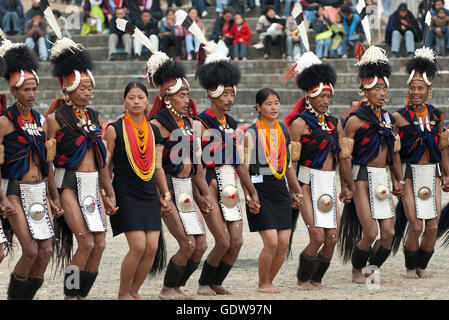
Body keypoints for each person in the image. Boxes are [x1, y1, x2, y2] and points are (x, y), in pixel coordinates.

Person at [45, 36, 119, 300]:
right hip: (67, 185)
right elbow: (48, 163)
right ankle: (69, 294)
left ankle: (81, 294)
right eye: (83, 88)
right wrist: (52, 196)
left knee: (99, 244)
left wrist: (108, 192)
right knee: (85, 242)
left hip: (92, 186)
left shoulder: (96, 117)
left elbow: (101, 162)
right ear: (69, 89)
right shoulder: (54, 120)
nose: (88, 92)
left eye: (90, 87)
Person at [144, 52, 212, 300]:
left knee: (201, 245)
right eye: (181, 95)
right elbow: (155, 167)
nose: (187, 99)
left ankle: (177, 285)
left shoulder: (189, 123)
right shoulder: (156, 125)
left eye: (187, 95)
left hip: (187, 189)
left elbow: (196, 164)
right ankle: (167, 289)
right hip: (169, 189)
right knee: (187, 244)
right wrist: (164, 196)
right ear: (166, 97)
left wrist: (203, 193)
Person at [194, 45, 261, 295]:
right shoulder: (199, 123)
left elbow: (239, 161)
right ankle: (203, 283)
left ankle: (215, 281)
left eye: (233, 94)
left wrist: (251, 191)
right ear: (213, 94)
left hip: (230, 181)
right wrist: (200, 191)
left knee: (236, 242)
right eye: (226, 94)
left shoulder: (232, 124)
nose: (230, 99)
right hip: (210, 182)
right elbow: (195, 163)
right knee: (222, 241)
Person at [0, 38, 64, 300]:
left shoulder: (41, 120)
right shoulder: (4, 122)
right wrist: (1, 197)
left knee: (46, 250)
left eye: (35, 88)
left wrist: (54, 195)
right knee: (30, 250)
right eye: (26, 89)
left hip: (40, 190)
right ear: (14, 91)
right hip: (14, 189)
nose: (32, 94)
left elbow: (46, 161)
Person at [338, 44, 405, 284]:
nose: (382, 92)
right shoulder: (354, 121)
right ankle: (357, 269)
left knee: (388, 233)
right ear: (365, 91)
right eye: (377, 88)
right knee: (371, 232)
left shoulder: (389, 119)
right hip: (361, 178)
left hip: (382, 177)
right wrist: (347, 184)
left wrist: (398, 179)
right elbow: (344, 156)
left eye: (384, 88)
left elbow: (393, 153)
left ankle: (371, 268)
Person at [284, 50, 347, 290]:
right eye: (320, 96)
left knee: (332, 238)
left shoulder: (335, 123)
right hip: (307, 183)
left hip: (329, 182)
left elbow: (343, 157)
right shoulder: (298, 124)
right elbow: (291, 162)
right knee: (318, 236)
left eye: (328, 96)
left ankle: (317, 278)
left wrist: (347, 184)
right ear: (309, 97)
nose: (325, 100)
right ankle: (302, 279)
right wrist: (294, 190)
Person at [103, 82, 170, 300]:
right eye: (131, 98)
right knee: (138, 246)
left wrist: (165, 194)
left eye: (140, 97)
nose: (136, 102)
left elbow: (158, 165)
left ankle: (134, 291)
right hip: (125, 191)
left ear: (148, 100)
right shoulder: (114, 129)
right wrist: (106, 194)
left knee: (151, 247)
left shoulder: (153, 130)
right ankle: (123, 293)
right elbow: (105, 166)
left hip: (149, 191)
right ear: (124, 101)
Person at [391, 47, 449, 279]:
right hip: (408, 173)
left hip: (432, 173)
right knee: (415, 225)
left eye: (420, 88)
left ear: (428, 91)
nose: (416, 92)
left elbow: (444, 148)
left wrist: (447, 174)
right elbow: (394, 153)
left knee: (432, 226)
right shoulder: (398, 117)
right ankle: (409, 267)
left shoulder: (437, 116)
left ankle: (422, 266)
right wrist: (397, 178)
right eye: (412, 88)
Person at [243, 88, 303, 293]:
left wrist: (296, 190)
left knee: (284, 242)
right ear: (259, 107)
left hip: (280, 189)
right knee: (271, 241)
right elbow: (243, 168)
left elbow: (287, 166)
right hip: (259, 189)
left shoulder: (283, 130)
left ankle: (269, 280)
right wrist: (250, 194)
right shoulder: (250, 133)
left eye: (276, 102)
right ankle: (263, 283)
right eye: (269, 103)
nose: (274, 107)